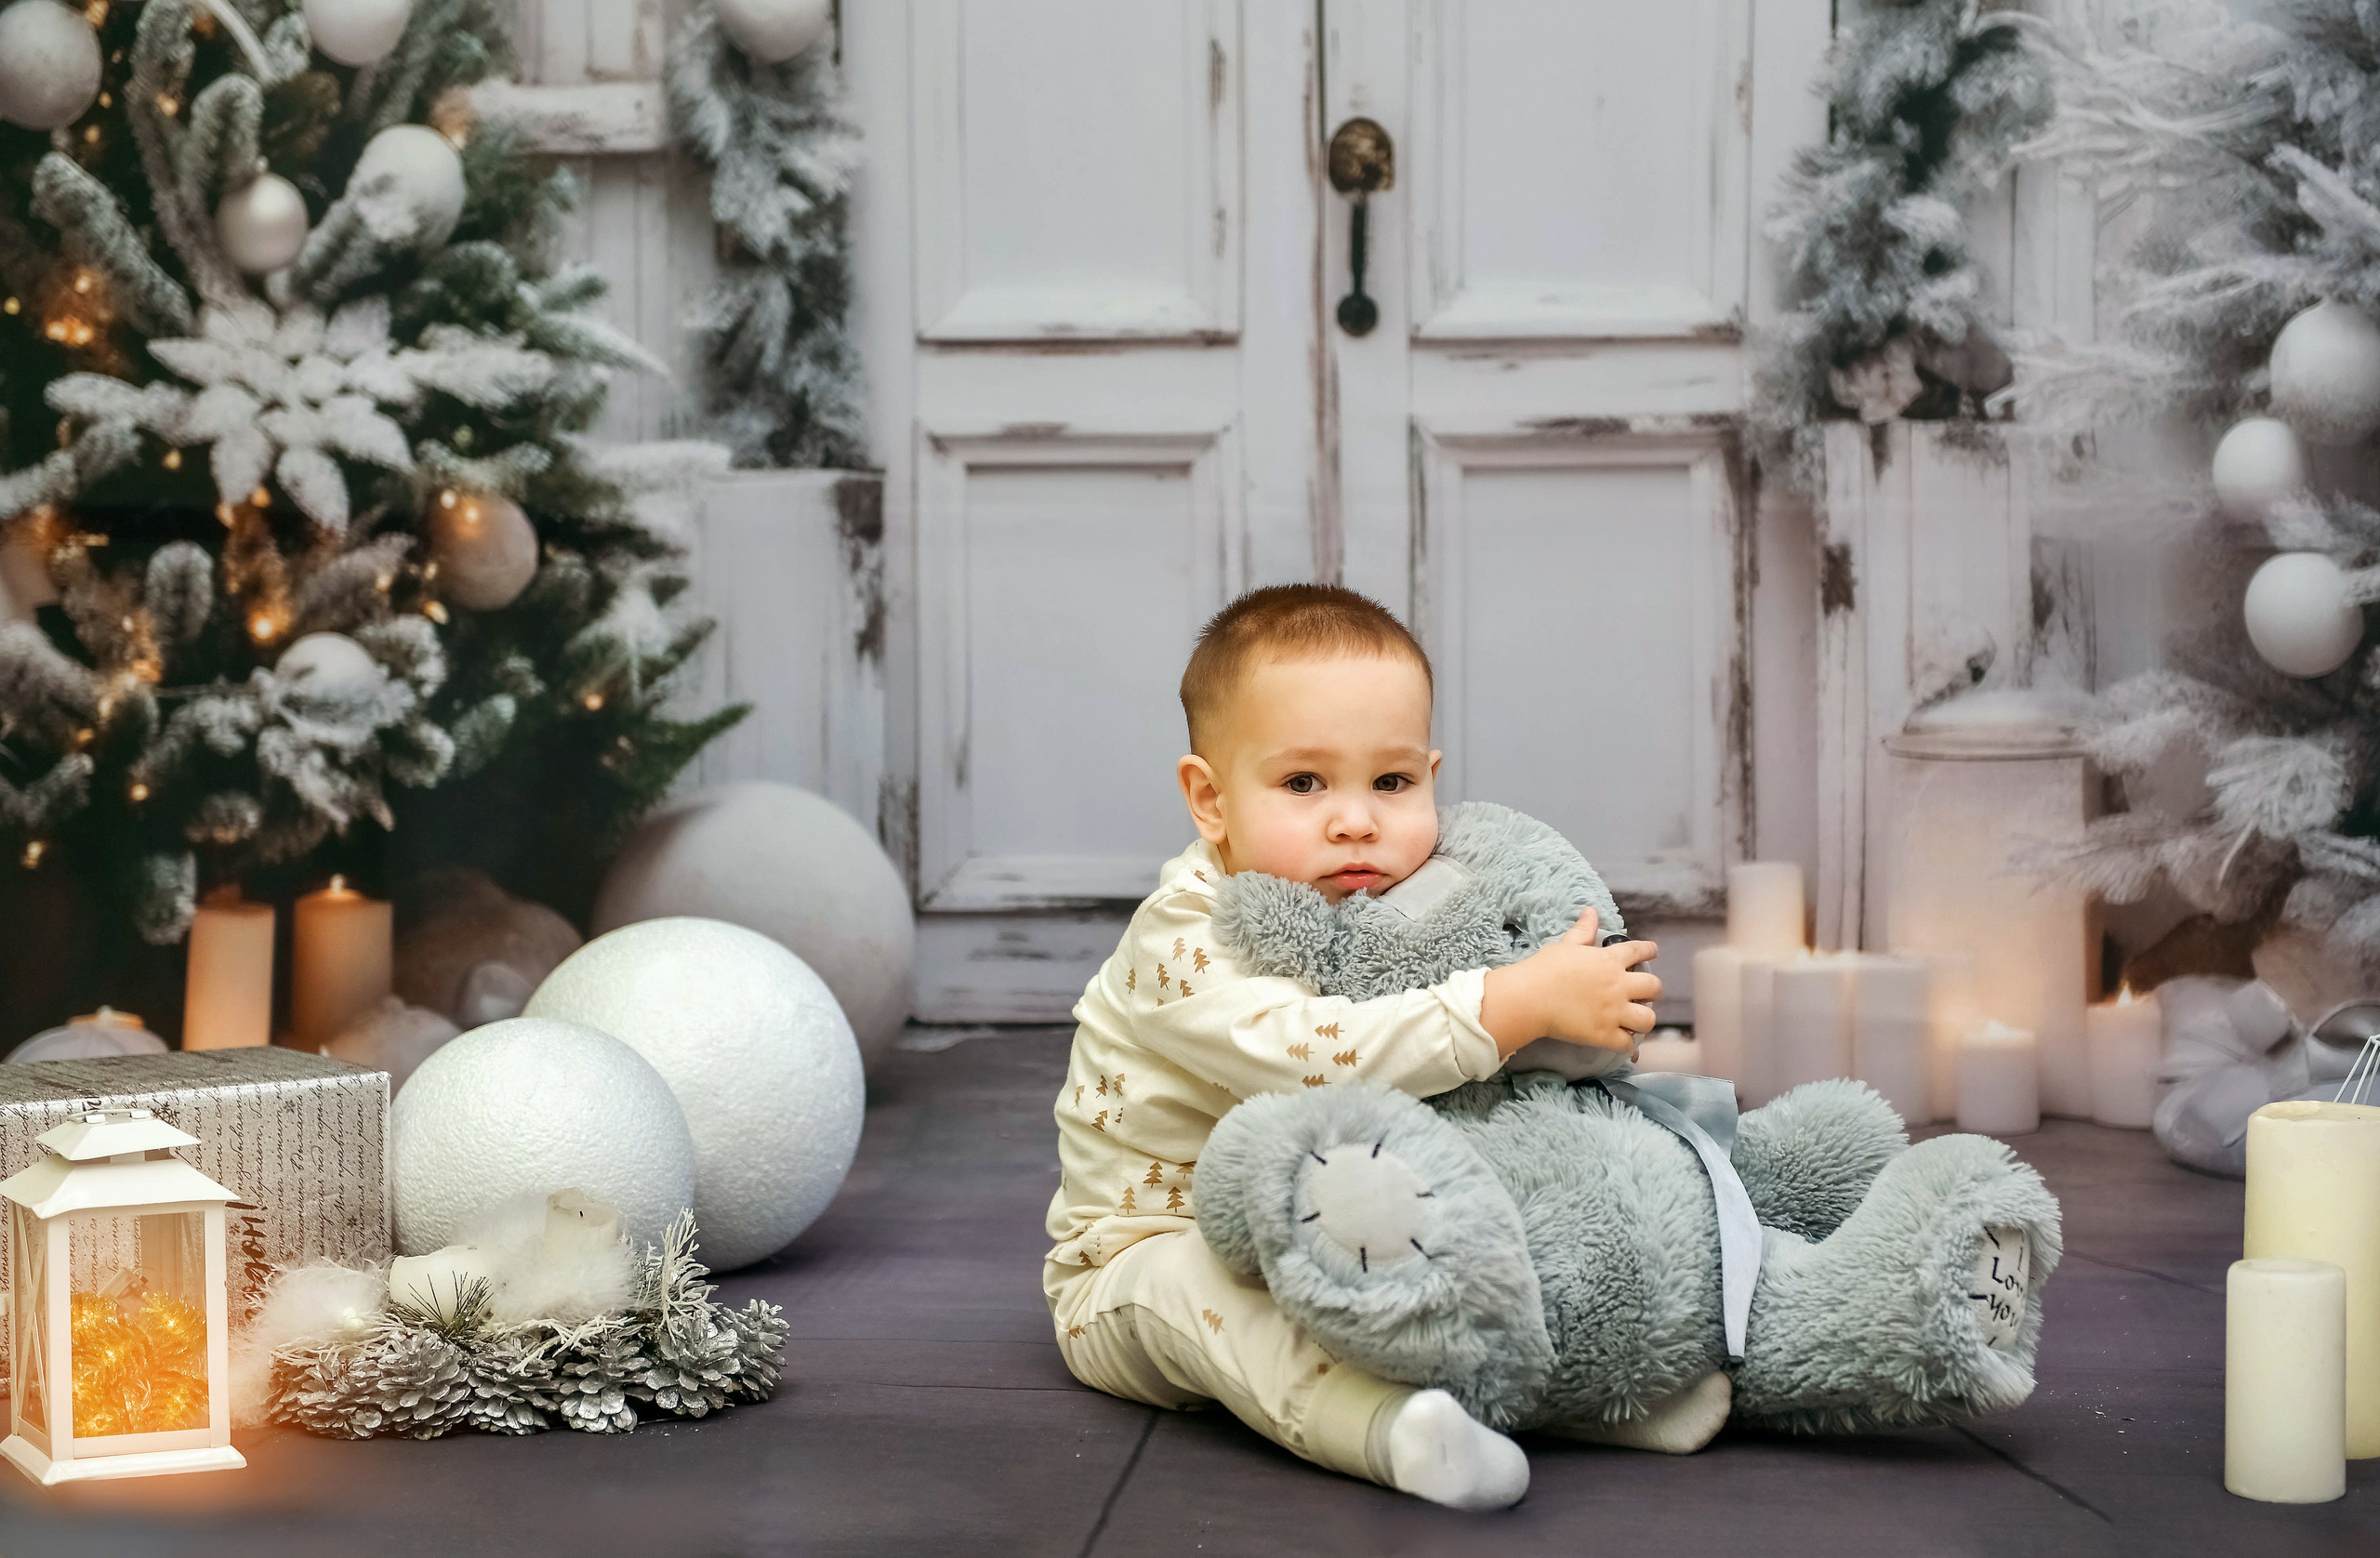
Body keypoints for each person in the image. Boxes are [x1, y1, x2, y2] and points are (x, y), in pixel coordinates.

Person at [1043, 583, 1660, 1509]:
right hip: (1146, 1250)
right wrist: (1510, 1002)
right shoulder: (1181, 940)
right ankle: (1388, 1431)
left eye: (1392, 781)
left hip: (1340, 1218)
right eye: (1303, 782)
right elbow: (1316, 1053)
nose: (1356, 819)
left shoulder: (1381, 903)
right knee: (1201, 1297)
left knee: (1493, 1193)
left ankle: (1583, 1375)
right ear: (1209, 799)